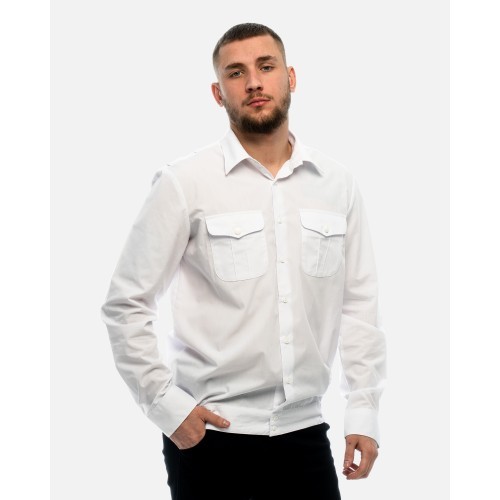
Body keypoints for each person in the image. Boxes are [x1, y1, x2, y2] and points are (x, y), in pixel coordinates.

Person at [101, 22, 387, 500]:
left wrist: (363, 410)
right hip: (210, 437)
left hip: (305, 435)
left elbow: (359, 306)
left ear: (290, 78)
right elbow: (125, 303)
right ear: (219, 93)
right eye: (236, 73)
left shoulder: (337, 185)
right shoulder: (184, 182)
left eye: (266, 66)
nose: (254, 82)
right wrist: (165, 405)